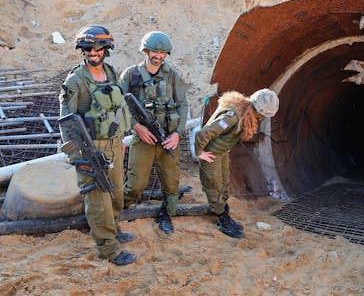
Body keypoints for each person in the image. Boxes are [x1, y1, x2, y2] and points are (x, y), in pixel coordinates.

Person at [58, 25, 136, 266]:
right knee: (97, 198)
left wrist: (120, 140)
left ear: (106, 50)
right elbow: (65, 122)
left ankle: (112, 229)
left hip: (113, 143)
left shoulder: (112, 74)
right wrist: (77, 157)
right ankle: (108, 248)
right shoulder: (75, 81)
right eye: (87, 48)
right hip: (90, 147)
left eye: (97, 48)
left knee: (116, 193)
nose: (92, 52)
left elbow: (117, 108)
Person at [119, 31, 188, 234]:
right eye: (154, 51)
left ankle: (167, 213)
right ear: (145, 50)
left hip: (167, 138)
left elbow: (183, 104)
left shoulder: (172, 75)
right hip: (143, 138)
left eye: (162, 52)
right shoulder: (131, 75)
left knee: (172, 183)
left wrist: (177, 134)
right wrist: (137, 127)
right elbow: (119, 106)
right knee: (136, 184)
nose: (158, 55)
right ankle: (120, 210)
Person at [194, 89, 279, 238]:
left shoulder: (245, 112)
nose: (262, 119)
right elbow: (204, 133)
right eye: (262, 115)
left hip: (221, 152)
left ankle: (224, 214)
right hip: (212, 154)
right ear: (257, 110)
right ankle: (222, 220)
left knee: (225, 185)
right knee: (214, 186)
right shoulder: (232, 116)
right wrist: (200, 152)